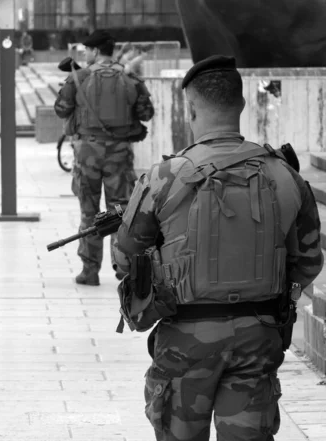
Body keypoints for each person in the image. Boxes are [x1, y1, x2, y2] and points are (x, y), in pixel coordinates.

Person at [113, 55, 324, 440]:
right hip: (259, 336)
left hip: (184, 341)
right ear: (241, 104)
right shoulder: (286, 175)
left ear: (190, 108)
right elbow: (308, 261)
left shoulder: (163, 177)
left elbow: (125, 259)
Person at [53, 30, 155, 286]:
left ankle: (89, 271)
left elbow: (61, 109)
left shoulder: (80, 76)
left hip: (87, 154)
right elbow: (146, 113)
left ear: (96, 51)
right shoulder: (130, 77)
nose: (84, 55)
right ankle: (122, 268)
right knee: (119, 212)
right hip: (119, 155)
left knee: (89, 213)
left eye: (86, 50)